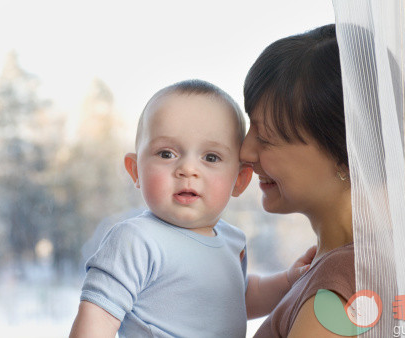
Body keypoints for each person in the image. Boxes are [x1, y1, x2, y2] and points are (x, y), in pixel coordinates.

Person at [69, 79, 316, 338]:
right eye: (166, 154)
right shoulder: (135, 240)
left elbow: (238, 299)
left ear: (240, 180)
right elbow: (96, 320)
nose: (188, 169)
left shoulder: (233, 241)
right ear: (135, 170)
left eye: (211, 157)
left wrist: (289, 281)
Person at [240, 24, 356, 337]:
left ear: (344, 152)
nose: (244, 151)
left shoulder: (339, 285)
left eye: (265, 137)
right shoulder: (329, 268)